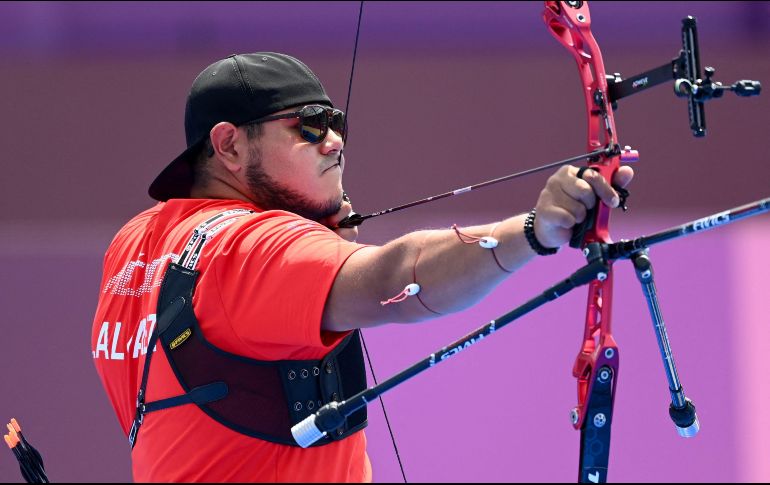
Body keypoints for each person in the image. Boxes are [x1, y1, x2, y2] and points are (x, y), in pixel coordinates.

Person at [91, 52, 633, 482]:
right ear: (229, 144)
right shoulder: (251, 247)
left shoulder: (133, 245)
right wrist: (535, 230)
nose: (335, 142)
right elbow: (393, 278)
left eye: (336, 123)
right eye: (309, 126)